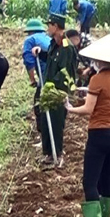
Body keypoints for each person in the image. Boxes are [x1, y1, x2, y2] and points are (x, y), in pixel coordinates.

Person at [65, 35, 110, 217]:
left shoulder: (97, 79)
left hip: (99, 133)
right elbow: (107, 100)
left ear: (100, 60)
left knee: (89, 180)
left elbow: (89, 109)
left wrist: (70, 108)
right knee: (106, 178)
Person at [32, 13, 77, 168]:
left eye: (49, 25)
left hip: (57, 92)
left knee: (56, 123)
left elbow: (65, 72)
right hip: (48, 90)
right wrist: (41, 52)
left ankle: (57, 155)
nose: (47, 28)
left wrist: (52, 87)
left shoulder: (67, 47)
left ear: (56, 27)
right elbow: (51, 59)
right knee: (45, 121)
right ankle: (48, 155)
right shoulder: (53, 43)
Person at [21, 18, 51, 88]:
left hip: (45, 70)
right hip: (56, 68)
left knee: (42, 93)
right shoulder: (48, 38)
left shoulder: (30, 40)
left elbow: (29, 61)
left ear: (30, 31)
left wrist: (32, 80)